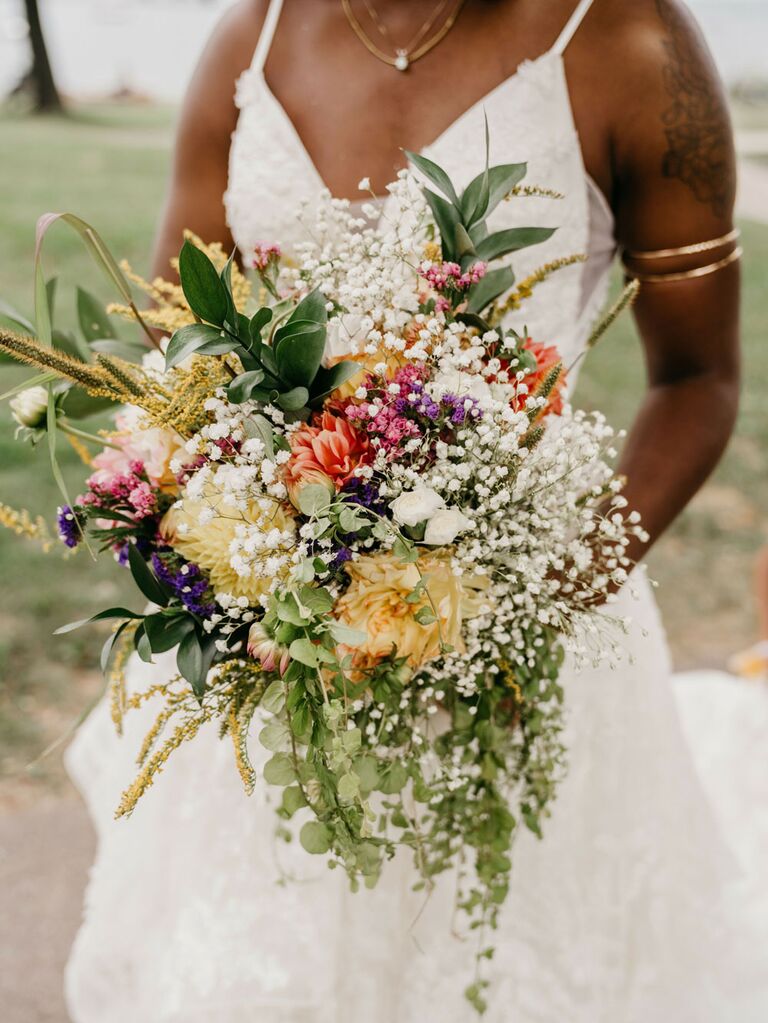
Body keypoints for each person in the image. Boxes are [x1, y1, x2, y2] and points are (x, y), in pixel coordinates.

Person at [64, 2, 767, 1020]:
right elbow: (171, 352)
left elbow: (699, 380)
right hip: (276, 660)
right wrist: (219, 536)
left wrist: (521, 605)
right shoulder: (249, 42)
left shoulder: (626, 39)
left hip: (528, 638)